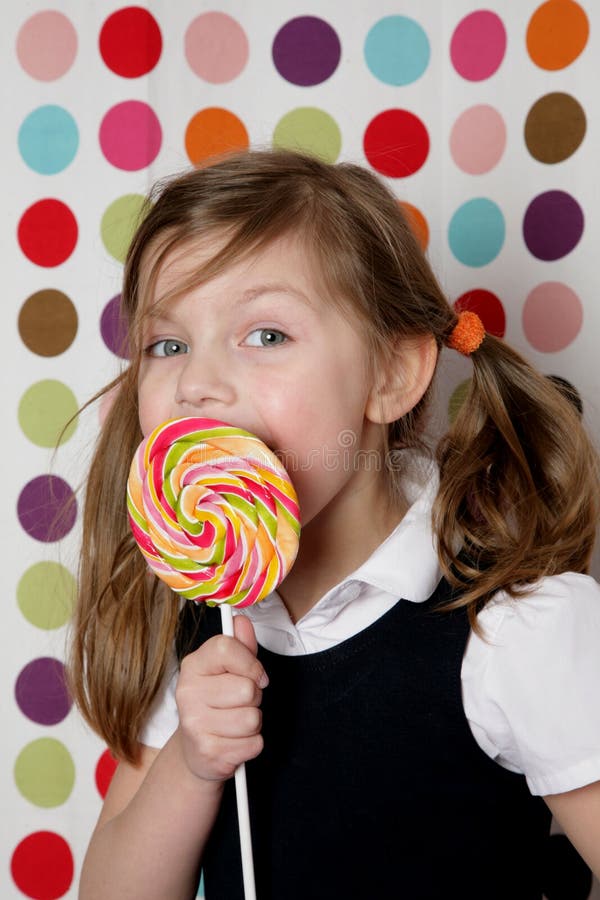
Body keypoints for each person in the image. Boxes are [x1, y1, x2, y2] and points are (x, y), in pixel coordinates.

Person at [69, 148, 600, 900]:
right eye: (168, 344)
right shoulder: (196, 621)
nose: (196, 383)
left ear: (390, 374)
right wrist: (193, 762)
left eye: (266, 336)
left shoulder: (511, 629)